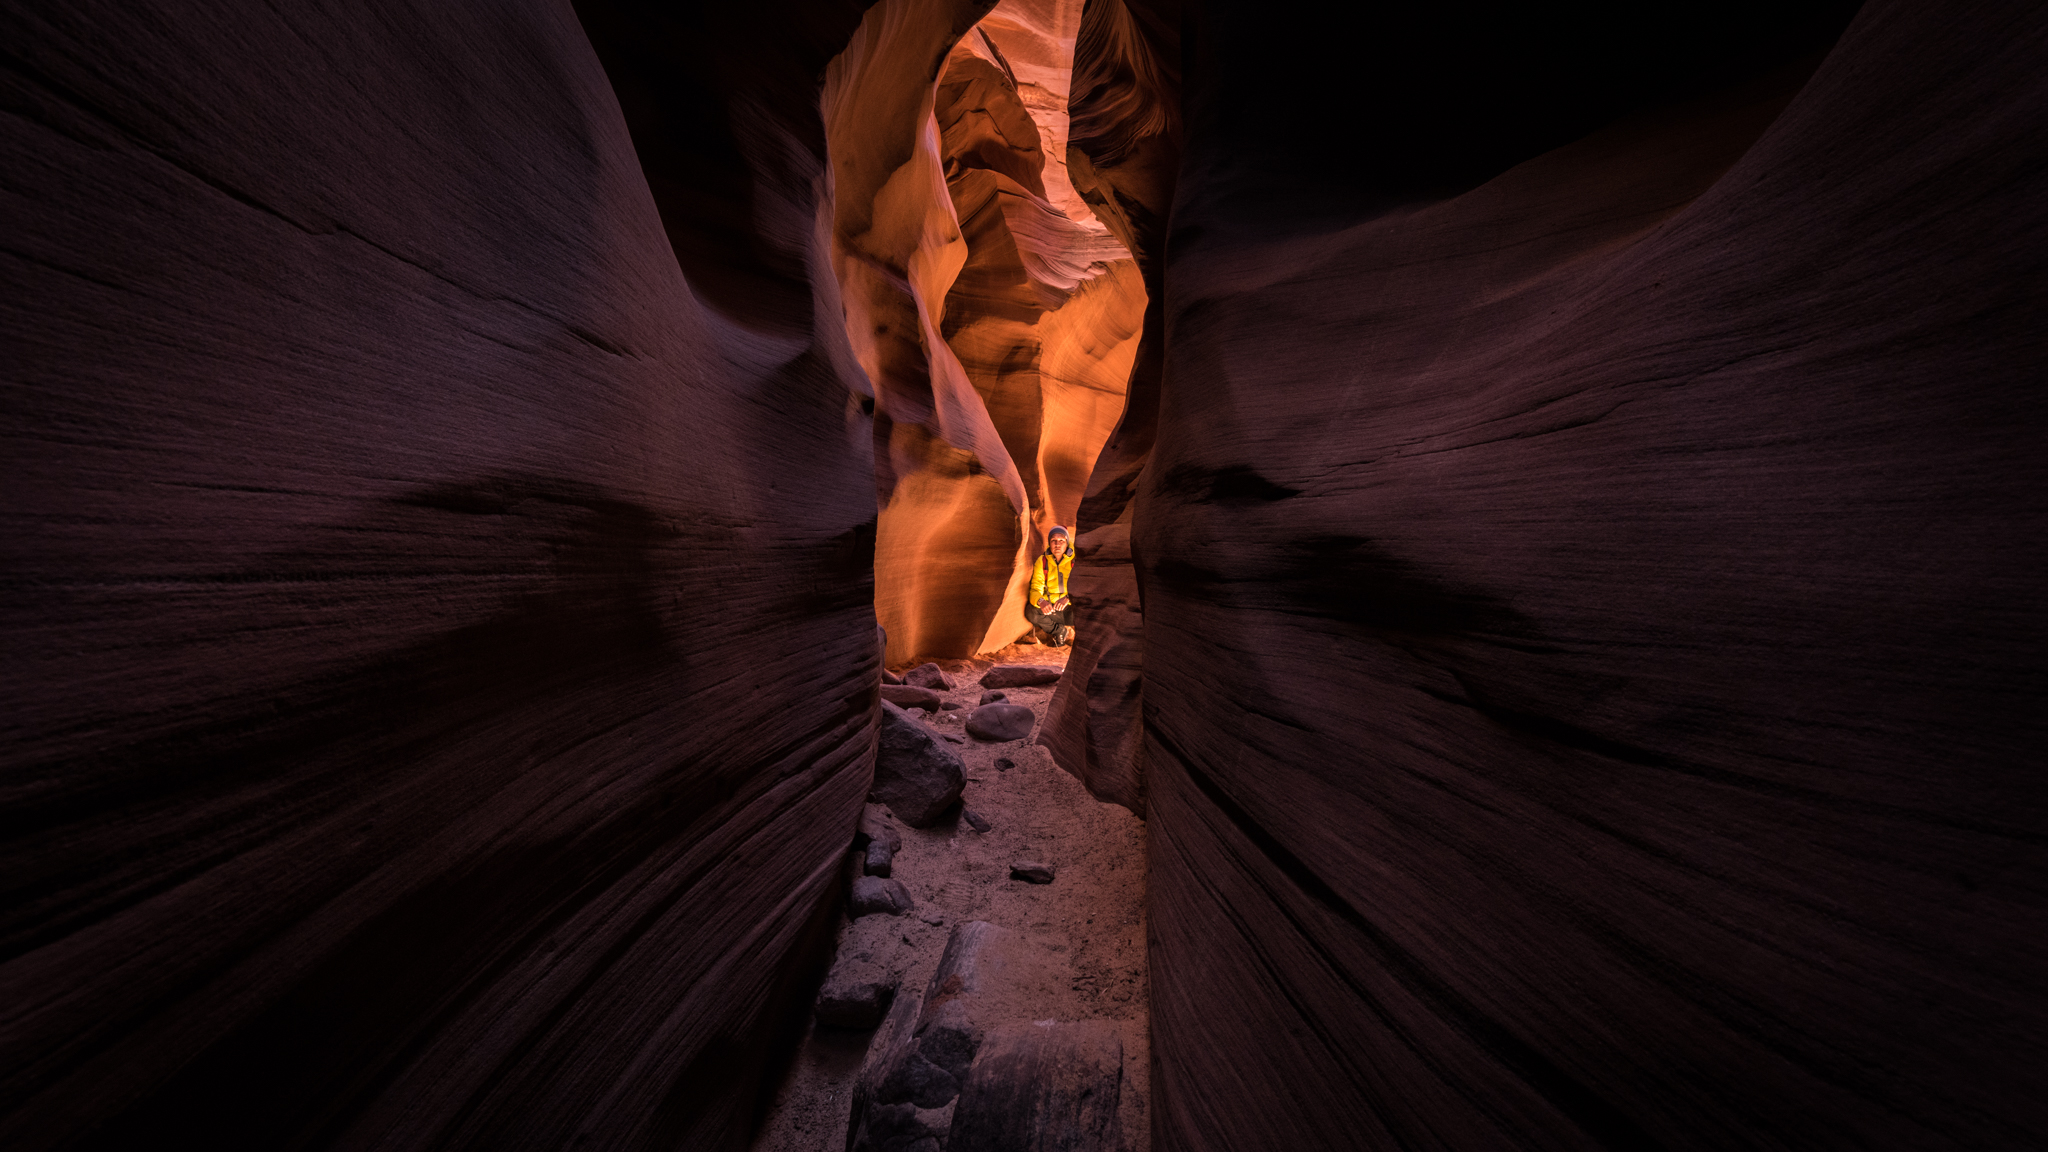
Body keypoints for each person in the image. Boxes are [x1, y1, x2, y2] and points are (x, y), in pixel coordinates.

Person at [1026, 526, 1075, 647]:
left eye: (1061, 541)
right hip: (1050, 609)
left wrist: (1069, 598)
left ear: (1067, 543)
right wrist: (1041, 601)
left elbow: (1085, 586)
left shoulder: (1075, 561)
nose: (1057, 544)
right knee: (1031, 612)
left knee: (1091, 612)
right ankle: (1059, 631)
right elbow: (1035, 588)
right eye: (1054, 540)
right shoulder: (1042, 561)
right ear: (1049, 543)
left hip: (1071, 609)